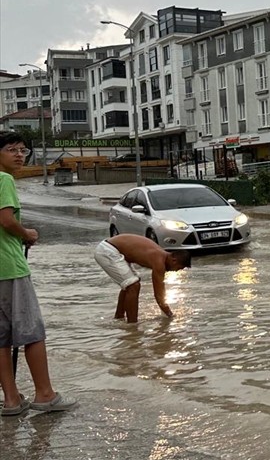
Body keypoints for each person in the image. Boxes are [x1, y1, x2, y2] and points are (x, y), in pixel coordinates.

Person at [0, 131, 76, 416]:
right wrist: (26, 234)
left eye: (23, 150)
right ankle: (44, 394)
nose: (20, 155)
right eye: (12, 150)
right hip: (9, 267)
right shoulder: (4, 179)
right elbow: (6, 220)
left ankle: (11, 399)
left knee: (1, 337)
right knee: (32, 331)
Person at [94, 234, 190, 323]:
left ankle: (119, 318)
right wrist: (170, 315)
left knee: (130, 284)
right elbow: (159, 294)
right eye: (178, 268)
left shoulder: (161, 255)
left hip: (110, 248)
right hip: (107, 250)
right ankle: (132, 326)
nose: (176, 271)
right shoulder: (159, 262)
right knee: (133, 285)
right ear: (174, 260)